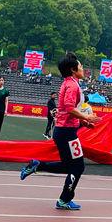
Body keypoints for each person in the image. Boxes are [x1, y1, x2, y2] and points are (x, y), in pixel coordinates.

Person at [19, 52, 99, 210]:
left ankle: (37, 166)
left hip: (65, 130)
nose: (83, 69)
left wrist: (82, 121)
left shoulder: (70, 83)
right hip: (67, 133)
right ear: (73, 70)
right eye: (80, 66)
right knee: (78, 167)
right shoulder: (72, 85)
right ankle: (64, 199)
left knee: (68, 166)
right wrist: (86, 117)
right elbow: (68, 108)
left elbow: (65, 110)